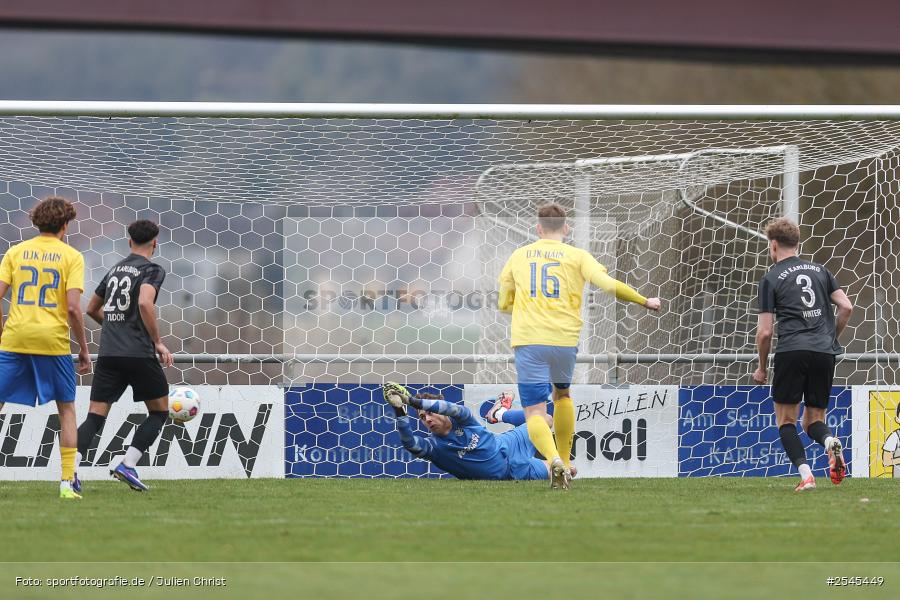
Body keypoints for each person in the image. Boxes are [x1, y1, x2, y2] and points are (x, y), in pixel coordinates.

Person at [497, 202, 661, 489]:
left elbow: (503, 302)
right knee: (561, 395)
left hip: (529, 339)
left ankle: (552, 461)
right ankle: (564, 457)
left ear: (538, 228)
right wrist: (644, 300)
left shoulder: (519, 256)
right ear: (566, 228)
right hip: (564, 340)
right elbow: (607, 284)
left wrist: (519, 305)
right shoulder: (577, 255)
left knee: (534, 411)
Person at [752, 217, 853, 491]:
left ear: (773, 246)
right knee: (814, 421)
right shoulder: (821, 271)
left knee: (786, 421)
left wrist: (762, 367)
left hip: (792, 350)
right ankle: (829, 442)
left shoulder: (771, 278)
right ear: (798, 244)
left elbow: (765, 333)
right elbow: (846, 307)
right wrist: (830, 340)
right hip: (823, 352)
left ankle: (806, 476)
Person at [0, 196, 91, 499]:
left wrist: (3, 333)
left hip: (15, 339)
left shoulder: (15, 252)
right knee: (66, 409)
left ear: (36, 221)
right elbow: (75, 309)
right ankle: (67, 482)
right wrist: (84, 349)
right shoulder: (71, 257)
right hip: (52, 341)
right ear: (65, 224)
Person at [76, 220, 173, 492]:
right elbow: (144, 302)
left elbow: (92, 308)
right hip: (139, 354)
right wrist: (158, 342)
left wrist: (115, 325)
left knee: (95, 416)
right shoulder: (152, 269)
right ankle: (127, 465)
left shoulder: (116, 269)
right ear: (155, 242)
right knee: (158, 412)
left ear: (129, 241)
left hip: (109, 354)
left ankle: (70, 473)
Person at [382, 382, 571, 481]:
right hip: (513, 473)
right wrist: (400, 411)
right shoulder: (434, 447)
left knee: (546, 420)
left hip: (508, 444)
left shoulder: (463, 419)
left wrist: (414, 402)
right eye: (422, 417)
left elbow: (452, 408)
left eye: (430, 413)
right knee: (568, 471)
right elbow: (410, 443)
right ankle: (500, 412)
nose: (428, 419)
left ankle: (500, 413)